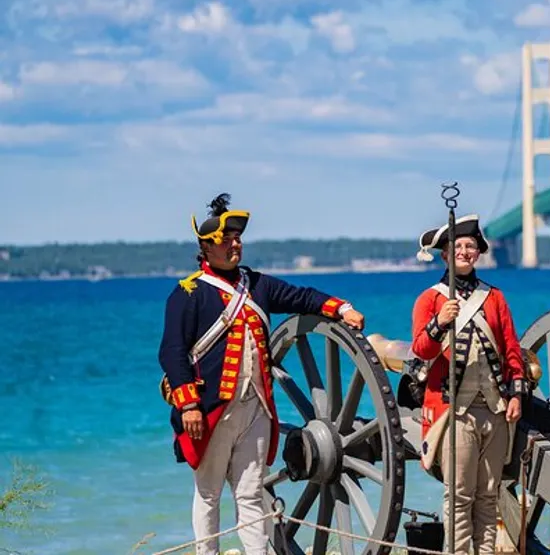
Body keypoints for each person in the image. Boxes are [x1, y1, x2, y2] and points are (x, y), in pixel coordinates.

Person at [158, 193, 365, 555]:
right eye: (226, 239)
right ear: (206, 247)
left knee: (250, 493)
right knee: (208, 493)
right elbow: (172, 352)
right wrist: (189, 404)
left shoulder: (257, 285)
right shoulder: (188, 292)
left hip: (256, 409)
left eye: (237, 238)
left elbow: (302, 298)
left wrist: (341, 308)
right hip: (211, 410)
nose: (235, 244)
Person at [411, 213, 526, 555]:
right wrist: (439, 323)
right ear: (445, 255)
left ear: (478, 253)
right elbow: (421, 349)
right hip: (453, 410)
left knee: (488, 495)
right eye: (457, 246)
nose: (464, 251)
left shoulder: (494, 298)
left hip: (493, 408)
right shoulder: (430, 299)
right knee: (459, 495)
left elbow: (511, 350)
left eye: (470, 246)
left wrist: (516, 391)